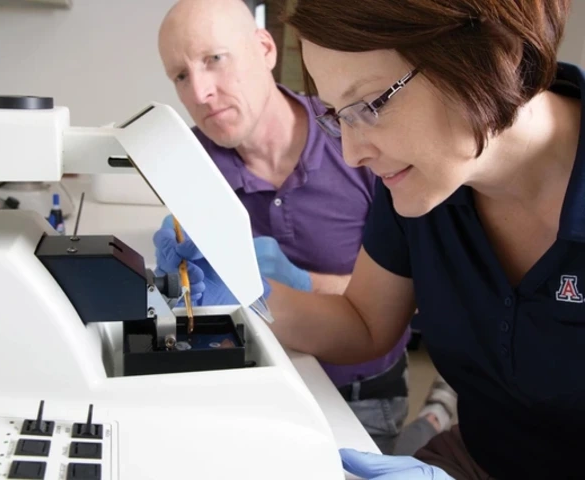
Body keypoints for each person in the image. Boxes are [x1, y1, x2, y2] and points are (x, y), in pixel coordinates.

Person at [155, 0, 585, 478]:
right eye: (339, 115)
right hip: (483, 456)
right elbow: (365, 323)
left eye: (370, 105)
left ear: (493, 53)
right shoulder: (424, 183)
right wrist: (248, 296)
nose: (353, 153)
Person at [154, 0, 456, 455]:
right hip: (259, 387)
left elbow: (421, 305)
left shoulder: (359, 132)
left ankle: (436, 414)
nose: (199, 92)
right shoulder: (191, 165)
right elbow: (201, 317)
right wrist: (177, 293)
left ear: (264, 48)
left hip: (362, 391)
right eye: (180, 75)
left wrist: (300, 283)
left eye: (214, 60)